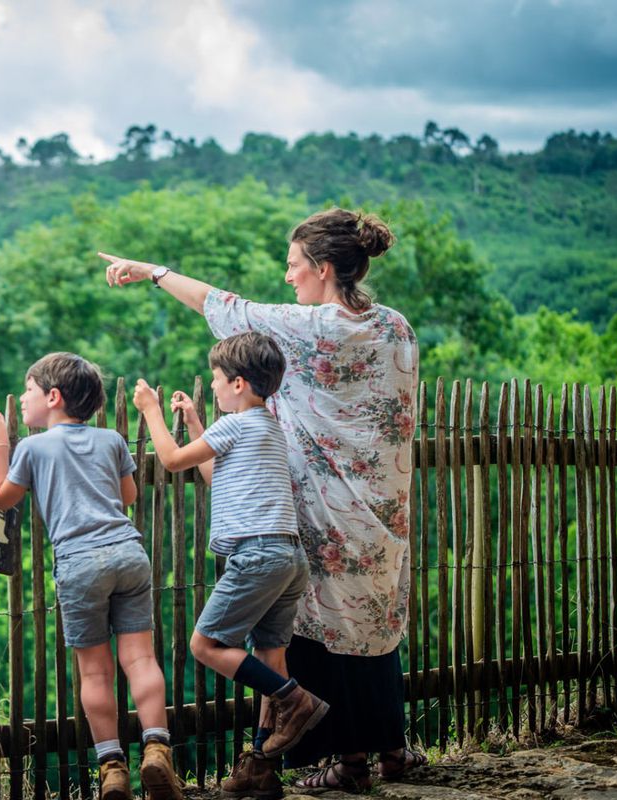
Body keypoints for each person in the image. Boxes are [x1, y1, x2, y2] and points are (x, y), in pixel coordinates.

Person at [101, 207, 420, 794]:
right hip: (383, 511)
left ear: (323, 269)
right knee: (373, 628)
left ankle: (347, 761)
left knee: (316, 637)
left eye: (295, 265)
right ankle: (390, 751)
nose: (288, 276)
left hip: (320, 512)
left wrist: (152, 271)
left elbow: (219, 305)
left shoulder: (305, 326)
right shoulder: (396, 328)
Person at [0, 353, 183, 800]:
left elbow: (2, 498)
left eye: (29, 390)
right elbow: (128, 495)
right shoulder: (111, 439)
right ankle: (156, 749)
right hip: (128, 554)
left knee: (95, 671)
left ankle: (112, 768)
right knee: (140, 660)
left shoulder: (32, 448)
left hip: (79, 563)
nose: (23, 399)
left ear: (53, 397)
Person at [134, 332, 325, 799]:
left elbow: (172, 460)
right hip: (288, 557)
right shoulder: (267, 427)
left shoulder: (236, 425)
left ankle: (296, 700)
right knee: (270, 658)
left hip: (255, 556)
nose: (214, 386)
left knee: (205, 644)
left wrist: (151, 411)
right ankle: (260, 768)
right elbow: (214, 475)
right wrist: (196, 422)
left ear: (238, 383)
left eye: (217, 379)